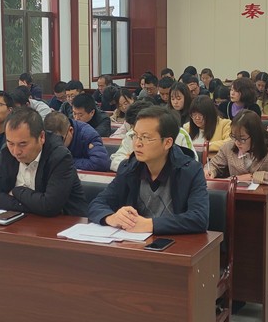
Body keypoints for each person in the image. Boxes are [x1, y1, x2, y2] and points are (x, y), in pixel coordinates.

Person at [88, 106, 209, 235]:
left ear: (167, 143)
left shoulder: (190, 170)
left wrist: (150, 224)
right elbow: (97, 204)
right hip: (134, 242)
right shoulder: (128, 168)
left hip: (175, 243)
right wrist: (112, 217)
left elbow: (199, 218)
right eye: (135, 136)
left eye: (145, 137)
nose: (137, 143)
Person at [0, 107, 87, 216]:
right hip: (24, 220)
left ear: (41, 137)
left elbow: (49, 206)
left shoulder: (60, 157)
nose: (16, 151)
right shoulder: (7, 152)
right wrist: (31, 206)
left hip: (66, 221)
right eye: (11, 143)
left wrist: (17, 191)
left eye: (23, 144)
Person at [204, 111, 268, 236]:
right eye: (234, 137)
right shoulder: (229, 147)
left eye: (242, 138)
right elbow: (214, 164)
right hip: (233, 207)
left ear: (255, 135)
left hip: (267, 212)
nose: (237, 142)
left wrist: (253, 177)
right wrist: (210, 171)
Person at [110, 99, 197, 172]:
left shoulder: (180, 134)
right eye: (133, 127)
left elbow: (191, 165)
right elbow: (115, 161)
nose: (137, 143)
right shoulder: (131, 134)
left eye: (145, 137)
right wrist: (136, 165)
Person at [44, 111, 110, 172]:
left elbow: (101, 163)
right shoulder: (42, 138)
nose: (56, 144)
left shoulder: (88, 134)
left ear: (71, 130)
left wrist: (66, 161)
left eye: (60, 140)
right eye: (52, 141)